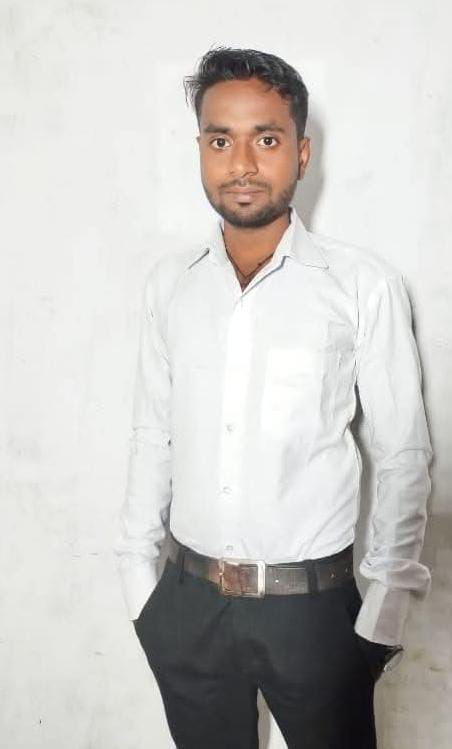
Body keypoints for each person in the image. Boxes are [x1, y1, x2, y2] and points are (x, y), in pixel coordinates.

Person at [113, 47, 433, 749]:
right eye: (219, 140)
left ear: (301, 152)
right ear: (201, 150)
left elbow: (403, 454)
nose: (241, 164)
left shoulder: (361, 286)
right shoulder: (171, 285)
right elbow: (152, 434)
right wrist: (140, 585)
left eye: (265, 139)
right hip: (186, 608)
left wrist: (382, 613)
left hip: (315, 615)